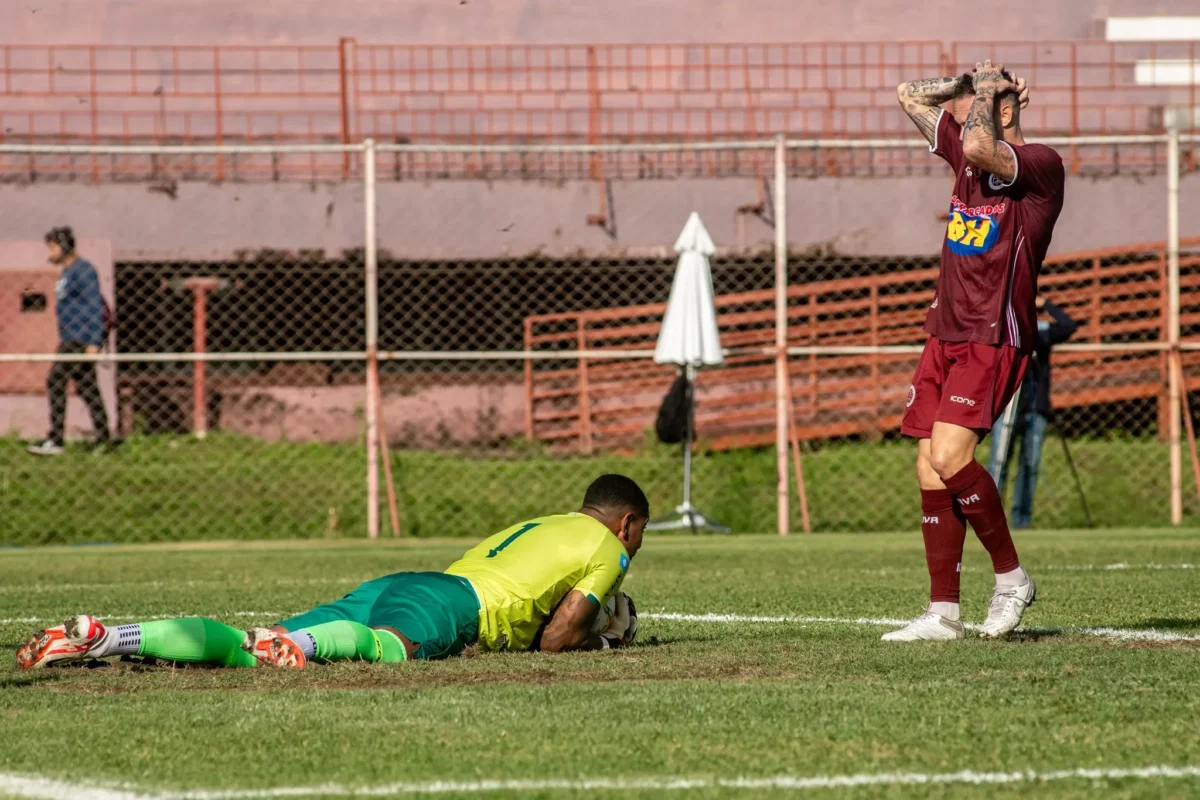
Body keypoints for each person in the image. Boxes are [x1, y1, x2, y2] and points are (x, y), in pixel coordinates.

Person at [17, 474, 647, 670]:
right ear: (626, 524)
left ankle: (109, 636)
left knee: (248, 649)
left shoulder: (550, 521)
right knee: (386, 651)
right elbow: (555, 639)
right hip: (453, 604)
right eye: (640, 533)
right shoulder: (608, 547)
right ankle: (301, 647)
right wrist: (604, 637)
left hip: (402, 583)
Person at [886, 60, 1065, 641]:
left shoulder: (1038, 164)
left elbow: (987, 149)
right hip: (947, 331)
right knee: (928, 464)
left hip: (995, 334)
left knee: (949, 456)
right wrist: (968, 84)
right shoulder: (967, 154)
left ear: (1006, 110)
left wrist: (992, 92)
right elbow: (909, 94)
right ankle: (943, 613)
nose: (964, 123)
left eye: (980, 107)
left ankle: (1013, 580)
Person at [987, 295, 1078, 528]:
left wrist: (1045, 304)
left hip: (1034, 408)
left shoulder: (1042, 333)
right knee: (998, 464)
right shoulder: (1003, 331)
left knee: (1030, 465)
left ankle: (1022, 519)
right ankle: (989, 519)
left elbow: (1069, 326)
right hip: (1006, 408)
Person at [26, 226, 111, 456]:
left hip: (79, 339)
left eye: (53, 247)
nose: (50, 253)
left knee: (55, 380)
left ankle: (56, 439)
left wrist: (94, 340)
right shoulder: (67, 273)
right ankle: (104, 438)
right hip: (69, 336)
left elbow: (94, 306)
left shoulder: (84, 271)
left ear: (63, 246)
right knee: (88, 387)